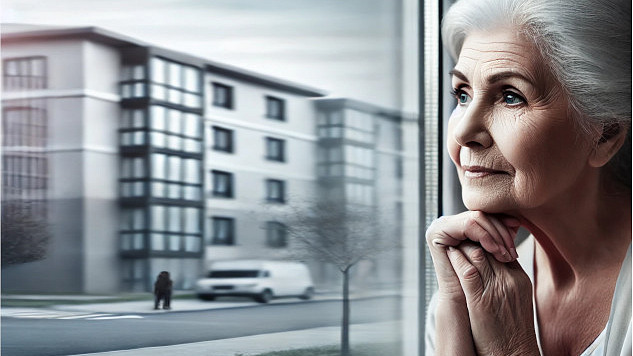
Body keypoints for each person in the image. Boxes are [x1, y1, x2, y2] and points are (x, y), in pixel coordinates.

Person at [425, 0, 631, 355]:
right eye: (462, 94)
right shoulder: (466, 289)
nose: (464, 132)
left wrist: (511, 348)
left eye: (510, 97)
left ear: (605, 134)